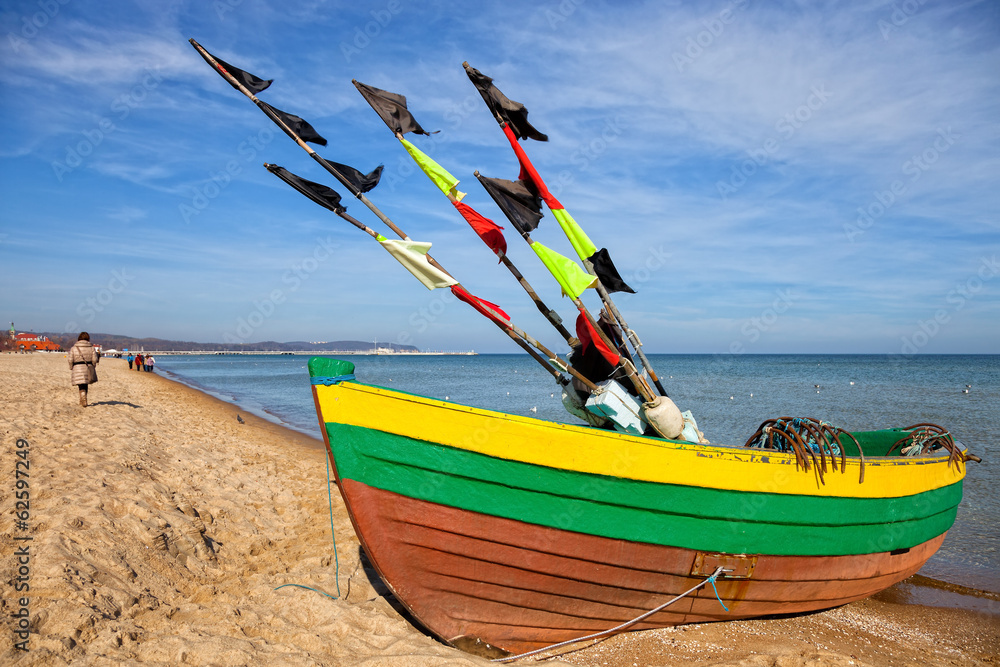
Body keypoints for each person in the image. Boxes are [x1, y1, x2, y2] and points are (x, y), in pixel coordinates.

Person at [68, 332, 100, 407]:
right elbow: (95, 359)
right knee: (85, 383)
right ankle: (84, 398)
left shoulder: (74, 348)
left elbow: (70, 359)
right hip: (88, 366)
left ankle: (82, 398)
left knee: (81, 384)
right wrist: (93, 365)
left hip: (77, 367)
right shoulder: (91, 347)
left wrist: (71, 367)